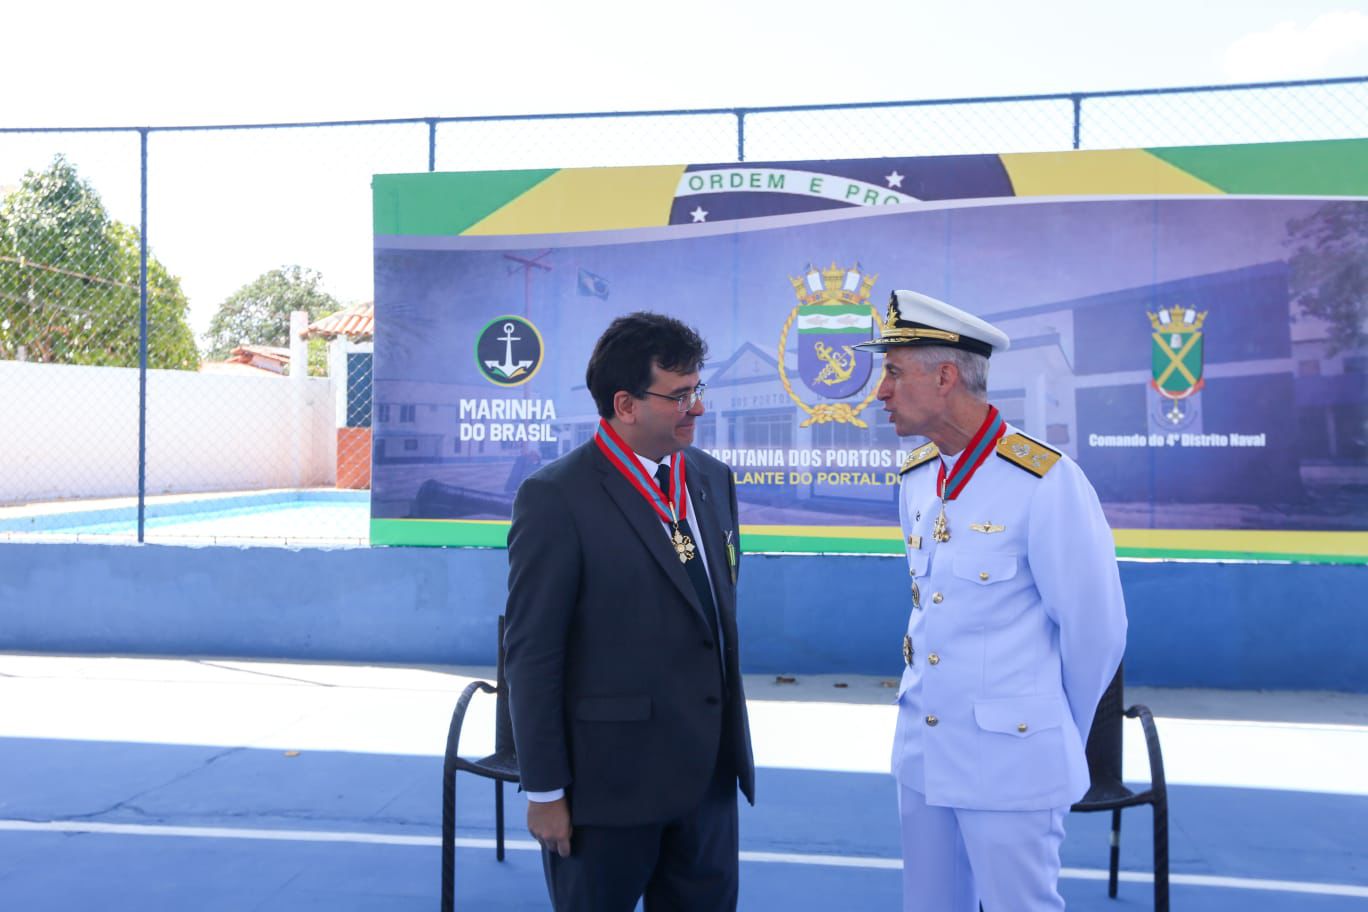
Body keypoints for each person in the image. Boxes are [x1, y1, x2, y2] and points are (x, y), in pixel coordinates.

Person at [855, 290, 1127, 911]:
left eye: (893, 372)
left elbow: (1097, 633)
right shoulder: (919, 477)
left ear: (945, 376)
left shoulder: (1046, 482)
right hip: (925, 755)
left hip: (1012, 762)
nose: (881, 392)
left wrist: (1045, 732)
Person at [503, 311, 755, 912]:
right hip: (606, 793)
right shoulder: (556, 497)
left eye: (697, 389)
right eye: (680, 395)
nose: (697, 408)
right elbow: (533, 654)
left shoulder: (711, 479)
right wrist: (545, 791)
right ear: (625, 404)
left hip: (707, 786)